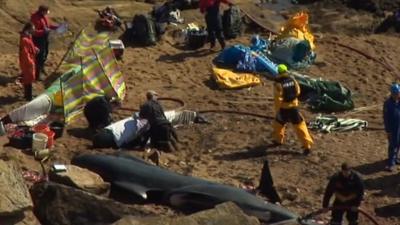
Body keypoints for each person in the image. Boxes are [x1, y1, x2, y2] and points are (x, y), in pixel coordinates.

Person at [271, 64, 313, 155]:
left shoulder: (278, 84)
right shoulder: (292, 80)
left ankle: (278, 140)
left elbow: (278, 99)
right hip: (294, 108)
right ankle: (307, 145)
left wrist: (277, 110)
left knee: (278, 124)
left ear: (278, 72)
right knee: (300, 126)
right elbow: (298, 91)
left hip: (284, 109)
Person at [31, 5, 58, 81]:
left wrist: (57, 27)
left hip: (44, 38)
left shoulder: (44, 16)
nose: (47, 13)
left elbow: (48, 25)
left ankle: (41, 68)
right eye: (46, 11)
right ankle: (37, 74)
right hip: (38, 39)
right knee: (39, 56)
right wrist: (44, 31)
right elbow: (34, 32)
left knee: (45, 53)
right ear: (42, 11)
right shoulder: (35, 18)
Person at [19, 22, 39, 101]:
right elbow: (25, 52)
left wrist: (35, 49)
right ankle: (29, 96)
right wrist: (29, 62)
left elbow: (31, 46)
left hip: (30, 59)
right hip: (27, 61)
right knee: (29, 78)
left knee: (29, 78)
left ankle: (27, 94)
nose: (34, 30)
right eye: (33, 28)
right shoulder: (24, 39)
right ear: (29, 29)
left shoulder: (28, 37)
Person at [383, 83, 400, 172]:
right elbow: (386, 118)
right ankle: (390, 163)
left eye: (398, 93)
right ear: (392, 94)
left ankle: (396, 158)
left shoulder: (399, 101)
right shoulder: (388, 104)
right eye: (395, 93)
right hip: (393, 128)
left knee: (398, 144)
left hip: (399, 126)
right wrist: (388, 130)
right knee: (392, 146)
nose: (397, 95)